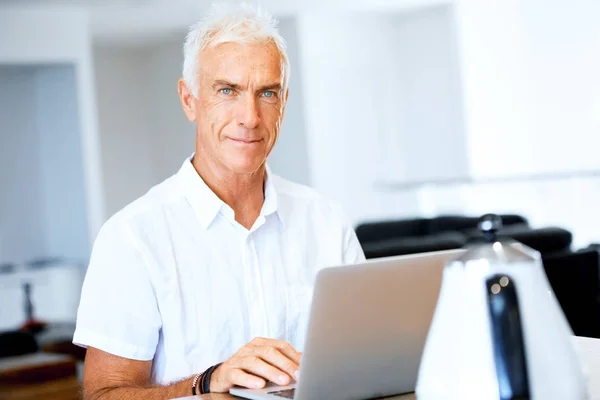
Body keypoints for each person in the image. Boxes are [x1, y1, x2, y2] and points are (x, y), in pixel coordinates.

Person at [73, 3, 365, 399]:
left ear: (283, 102)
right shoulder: (132, 237)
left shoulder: (326, 221)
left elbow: (364, 363)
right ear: (189, 99)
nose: (250, 116)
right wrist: (207, 383)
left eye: (267, 93)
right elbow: (102, 395)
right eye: (227, 90)